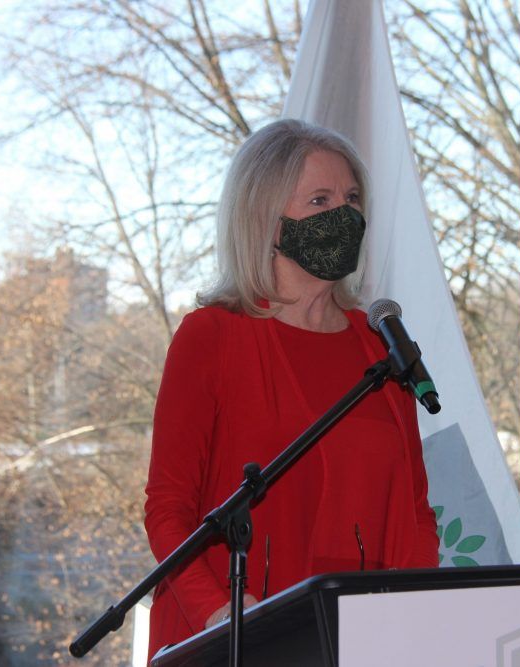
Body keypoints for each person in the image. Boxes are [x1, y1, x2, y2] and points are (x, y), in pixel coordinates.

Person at [143, 119, 439, 658]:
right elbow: (168, 509)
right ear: (265, 218)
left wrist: (411, 614)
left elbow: (416, 510)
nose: (342, 216)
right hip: (234, 636)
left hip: (363, 640)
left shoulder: (380, 348)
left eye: (351, 199)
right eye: (319, 200)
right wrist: (224, 615)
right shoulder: (211, 337)